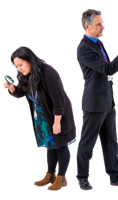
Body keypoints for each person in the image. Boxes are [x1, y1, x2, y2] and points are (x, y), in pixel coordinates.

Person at [76, 9, 118, 191]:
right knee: (87, 143)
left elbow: (105, 75)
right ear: (87, 26)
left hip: (107, 103)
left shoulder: (98, 43)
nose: (103, 26)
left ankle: (116, 177)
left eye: (102, 23)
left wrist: (111, 98)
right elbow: (108, 69)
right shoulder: (84, 48)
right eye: (99, 24)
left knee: (111, 142)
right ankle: (82, 177)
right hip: (94, 104)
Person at [3, 46, 76, 191]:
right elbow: (23, 92)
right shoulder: (27, 74)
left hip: (57, 115)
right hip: (43, 118)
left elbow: (58, 101)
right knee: (50, 146)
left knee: (61, 145)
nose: (19, 69)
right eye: (16, 66)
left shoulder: (49, 73)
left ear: (29, 60)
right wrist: (12, 89)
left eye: (20, 65)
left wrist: (57, 122)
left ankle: (62, 178)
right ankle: (50, 175)